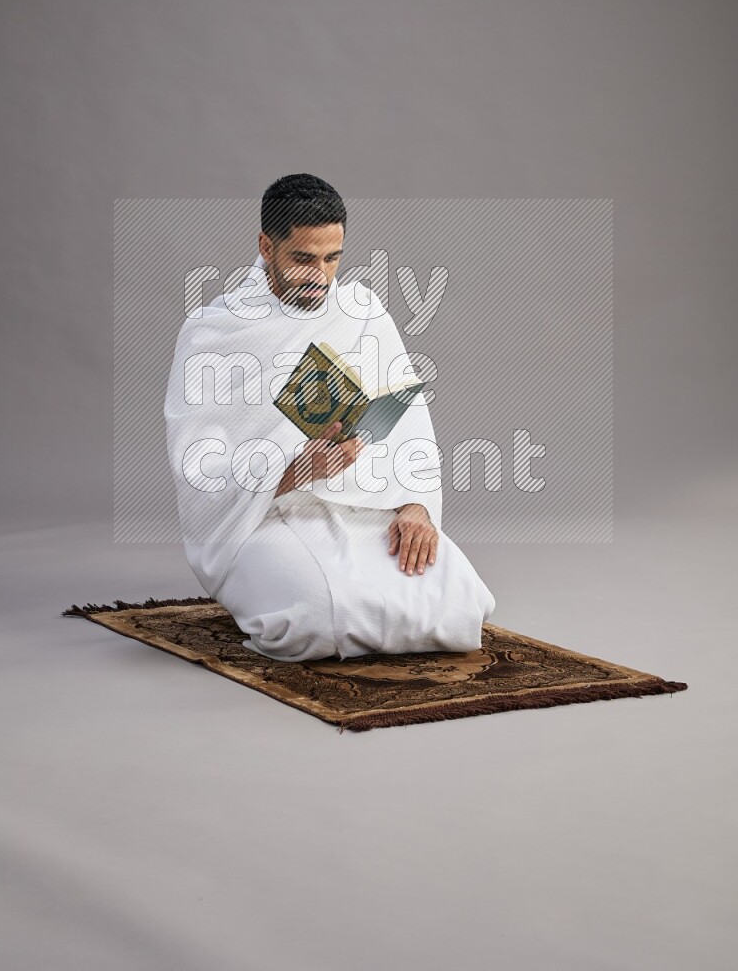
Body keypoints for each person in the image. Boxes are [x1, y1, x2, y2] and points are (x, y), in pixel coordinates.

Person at [163, 174, 496, 661]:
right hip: (262, 516)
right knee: (316, 619)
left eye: (332, 258)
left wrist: (416, 505)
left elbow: (407, 419)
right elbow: (198, 466)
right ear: (266, 245)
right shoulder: (213, 333)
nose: (320, 276)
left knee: (460, 605)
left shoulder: (361, 312)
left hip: (366, 502)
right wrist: (292, 470)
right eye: (303, 258)